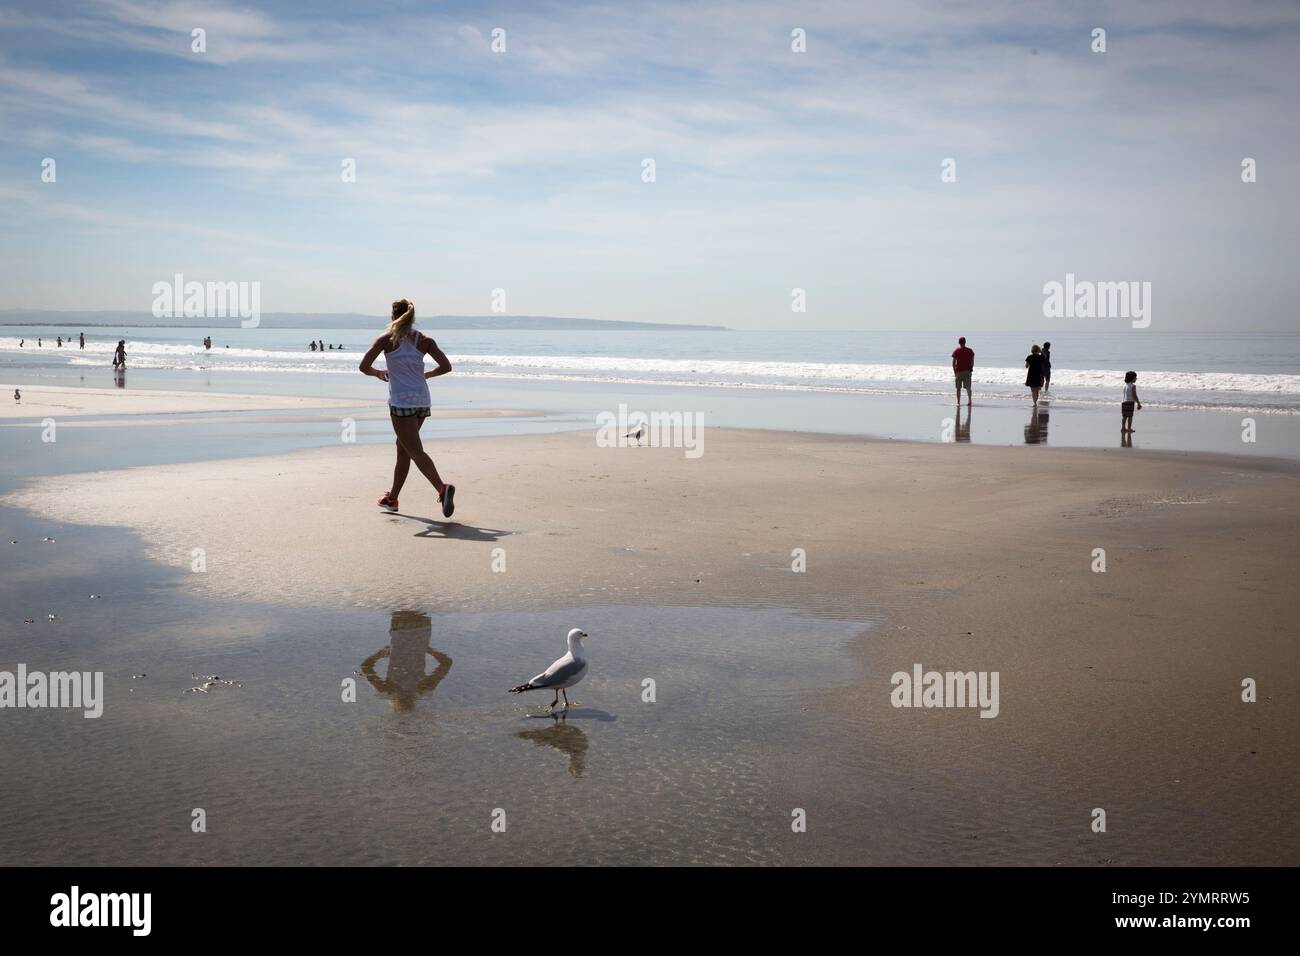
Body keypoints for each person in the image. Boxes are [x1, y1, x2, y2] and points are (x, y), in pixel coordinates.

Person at [360, 299, 457, 518]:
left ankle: (443, 488)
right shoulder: (424, 340)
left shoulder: (386, 340)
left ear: (393, 316)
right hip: (422, 400)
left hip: (401, 402)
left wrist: (379, 373)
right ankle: (392, 498)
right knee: (403, 447)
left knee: (414, 450)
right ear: (412, 317)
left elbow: (363, 366)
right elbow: (446, 366)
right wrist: (426, 375)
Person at [951, 336, 974, 406]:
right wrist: (970, 370)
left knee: (958, 388)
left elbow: (953, 363)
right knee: (968, 387)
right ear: (965, 342)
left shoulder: (956, 351)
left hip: (959, 371)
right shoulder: (970, 351)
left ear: (959, 342)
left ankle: (958, 402)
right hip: (967, 371)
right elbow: (972, 362)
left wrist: (955, 372)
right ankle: (969, 401)